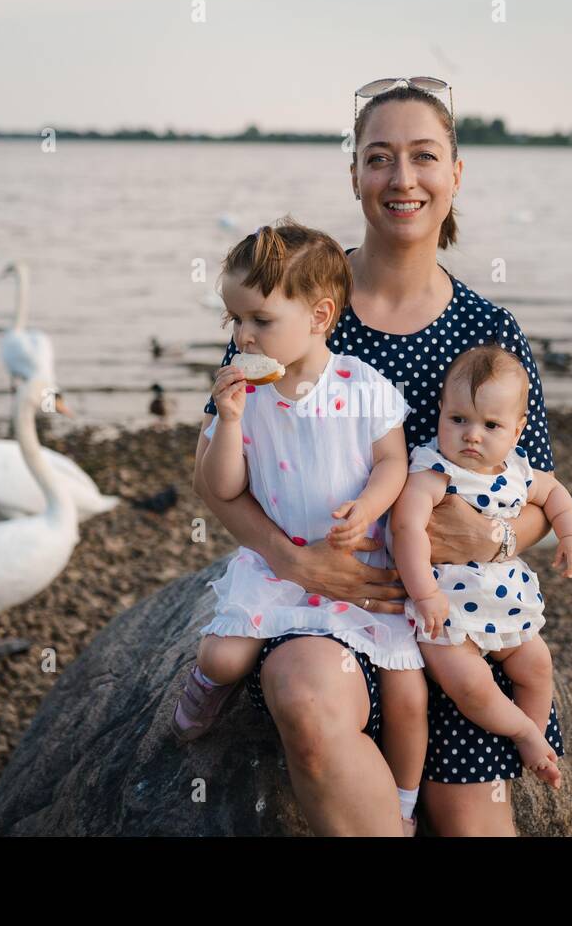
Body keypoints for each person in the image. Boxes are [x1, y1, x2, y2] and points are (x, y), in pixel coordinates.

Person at [194, 77, 563, 835]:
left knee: (473, 825)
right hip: (332, 608)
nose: (402, 179)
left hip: (451, 621)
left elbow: (536, 498)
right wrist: (293, 562)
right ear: (355, 174)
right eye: (379, 157)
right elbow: (220, 481)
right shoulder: (289, 305)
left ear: (455, 175)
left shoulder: (490, 332)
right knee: (304, 692)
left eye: (424, 157)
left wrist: (492, 538)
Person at [173, 217, 430, 835]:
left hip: (356, 573)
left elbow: (393, 462)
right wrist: (229, 419)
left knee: (407, 693)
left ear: (318, 317)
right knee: (225, 655)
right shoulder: (248, 395)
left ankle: (402, 802)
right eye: (234, 321)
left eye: (260, 321)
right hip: (278, 567)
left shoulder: (363, 387)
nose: (242, 337)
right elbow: (223, 485)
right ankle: (198, 696)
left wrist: (367, 508)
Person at [389, 343, 572, 790]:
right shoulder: (432, 470)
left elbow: (555, 495)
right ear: (441, 412)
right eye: (458, 419)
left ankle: (533, 736)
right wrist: (424, 594)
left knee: (537, 665)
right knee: (471, 684)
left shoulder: (518, 470)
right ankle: (521, 732)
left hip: (506, 605)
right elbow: (407, 530)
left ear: (517, 431)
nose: (471, 435)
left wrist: (571, 535)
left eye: (490, 425)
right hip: (448, 613)